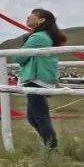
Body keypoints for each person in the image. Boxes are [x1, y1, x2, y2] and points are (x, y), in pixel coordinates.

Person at [17, 8, 65, 149]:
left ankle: (52, 149)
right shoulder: (43, 36)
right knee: (33, 118)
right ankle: (50, 146)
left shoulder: (38, 37)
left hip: (36, 78)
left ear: (41, 20)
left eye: (31, 15)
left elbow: (19, 57)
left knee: (41, 117)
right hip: (37, 77)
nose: (28, 17)